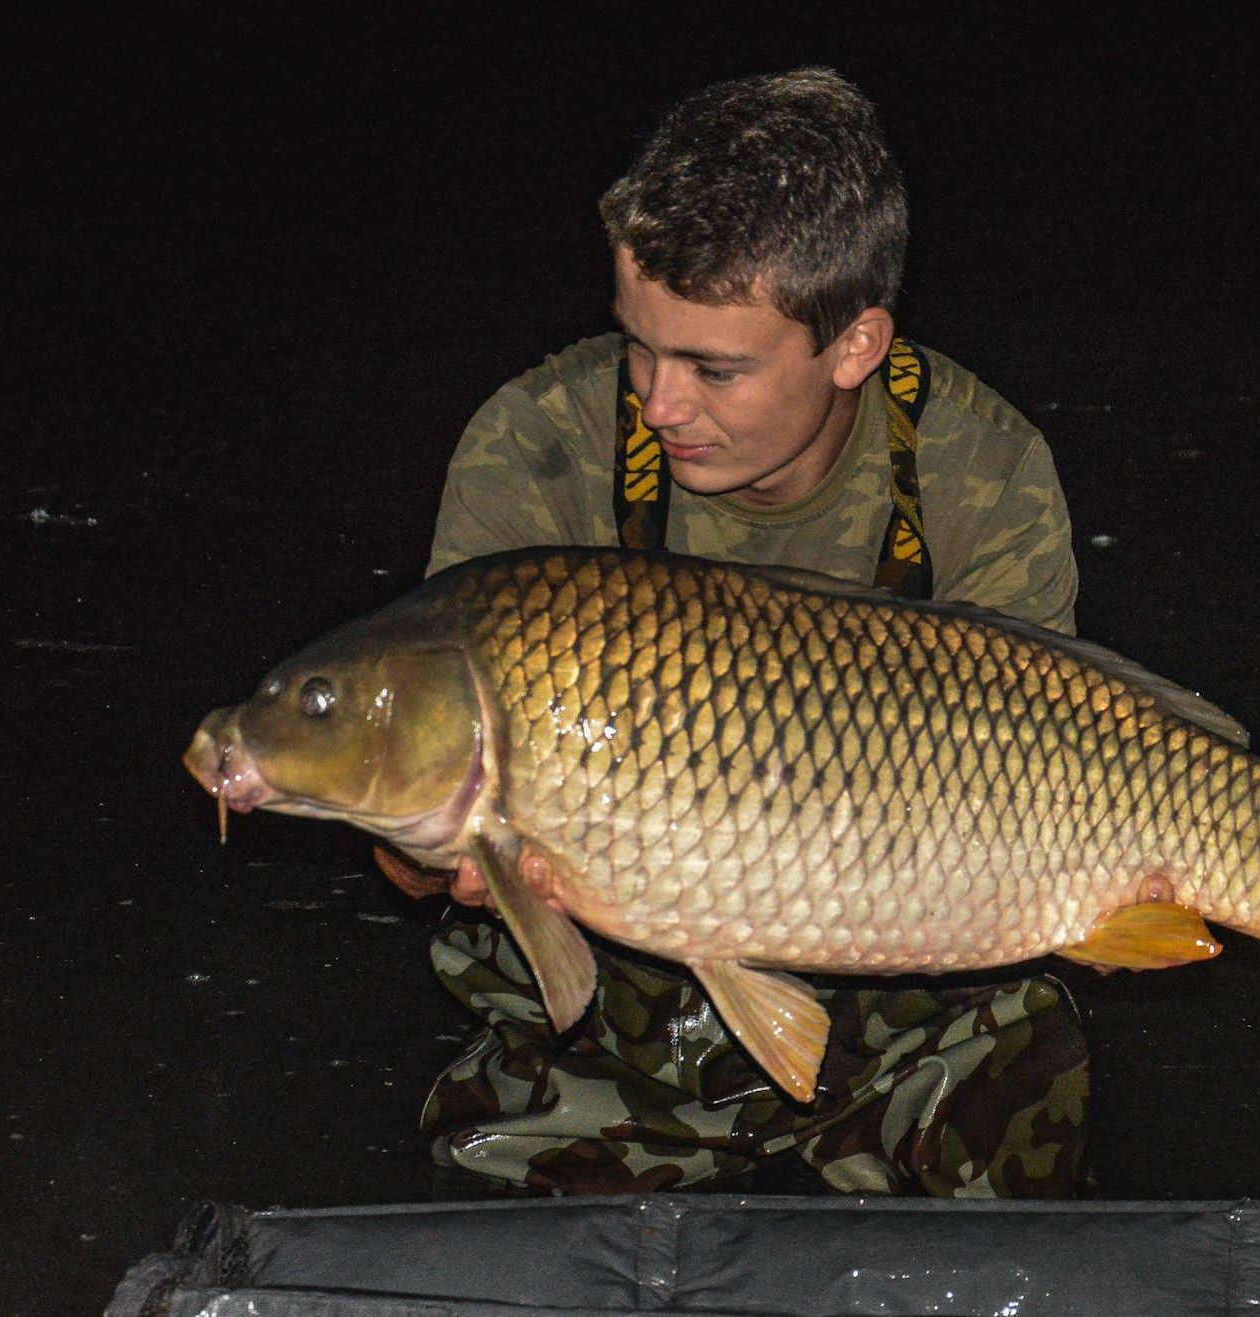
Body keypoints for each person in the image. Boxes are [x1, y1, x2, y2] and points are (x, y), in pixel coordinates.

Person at [400, 67, 1088, 1198]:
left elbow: (1041, 790)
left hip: (910, 970)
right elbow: (422, 799)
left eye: (715, 369)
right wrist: (431, 849)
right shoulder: (539, 445)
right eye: (638, 345)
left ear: (855, 345)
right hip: (618, 1001)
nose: (662, 403)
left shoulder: (978, 470)